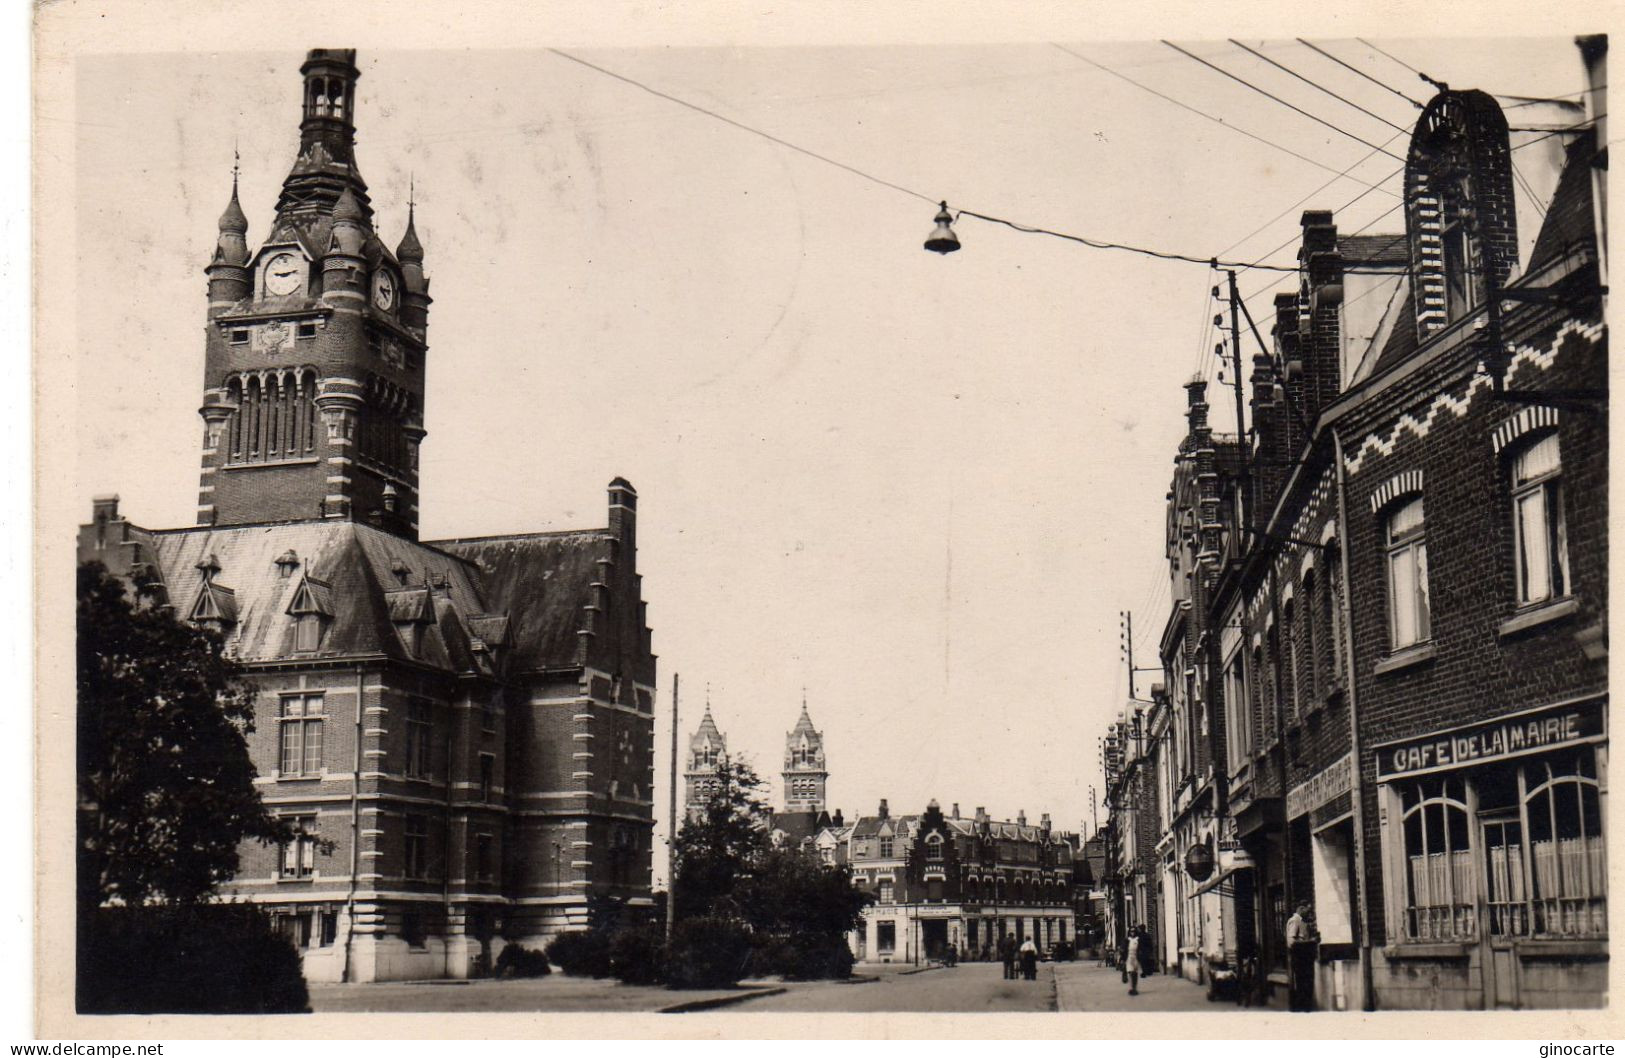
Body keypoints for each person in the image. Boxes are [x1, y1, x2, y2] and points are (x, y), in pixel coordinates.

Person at [1286, 902, 1319, 1012]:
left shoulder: (1302, 922)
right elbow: (1291, 942)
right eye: (1307, 910)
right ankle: (1300, 1010)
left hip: (1305, 959)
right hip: (1299, 959)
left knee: (1306, 985)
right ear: (1301, 908)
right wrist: (1310, 941)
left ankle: (1305, 1009)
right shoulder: (1294, 921)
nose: (1309, 913)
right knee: (1301, 986)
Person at [1123, 928, 1140, 995]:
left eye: (1134, 931)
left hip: (1136, 957)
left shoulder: (1138, 939)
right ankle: (1131, 988)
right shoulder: (1127, 940)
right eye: (1131, 931)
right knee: (1130, 973)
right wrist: (1123, 959)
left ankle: (1135, 987)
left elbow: (1141, 948)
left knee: (1135, 973)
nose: (1132, 933)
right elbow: (1124, 949)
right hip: (1129, 957)